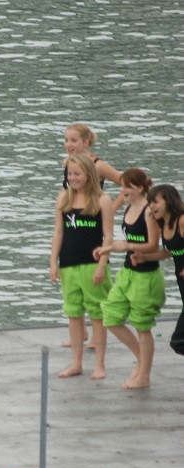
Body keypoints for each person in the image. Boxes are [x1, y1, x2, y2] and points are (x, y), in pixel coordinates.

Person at [95, 171, 166, 389]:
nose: (124, 191)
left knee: (142, 326)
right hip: (127, 273)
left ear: (141, 188)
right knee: (110, 316)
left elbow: (154, 245)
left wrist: (127, 246)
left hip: (146, 276)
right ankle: (140, 357)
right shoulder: (127, 208)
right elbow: (123, 243)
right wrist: (107, 248)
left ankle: (143, 375)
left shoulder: (148, 212)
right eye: (122, 187)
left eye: (129, 187)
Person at [49, 153, 114, 379]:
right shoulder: (63, 199)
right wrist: (53, 263)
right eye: (70, 174)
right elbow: (58, 232)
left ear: (89, 174)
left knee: (97, 314)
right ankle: (76, 363)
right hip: (69, 264)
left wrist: (101, 265)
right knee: (73, 314)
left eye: (77, 174)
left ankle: (100, 365)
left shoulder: (102, 200)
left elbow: (108, 236)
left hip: (92, 264)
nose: (73, 178)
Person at [61, 123, 122, 349]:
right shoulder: (68, 164)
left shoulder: (99, 165)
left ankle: (97, 335)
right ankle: (82, 332)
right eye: (66, 140)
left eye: (74, 141)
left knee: (96, 291)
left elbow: (125, 183)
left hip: (95, 232)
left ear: (86, 143)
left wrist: (113, 207)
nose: (69, 145)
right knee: (75, 295)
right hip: (76, 226)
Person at [131, 184, 184, 356]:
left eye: (155, 202)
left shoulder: (182, 220)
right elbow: (169, 251)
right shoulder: (165, 225)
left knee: (178, 341)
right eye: (150, 202)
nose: (151, 206)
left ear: (168, 201)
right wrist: (145, 258)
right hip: (181, 280)